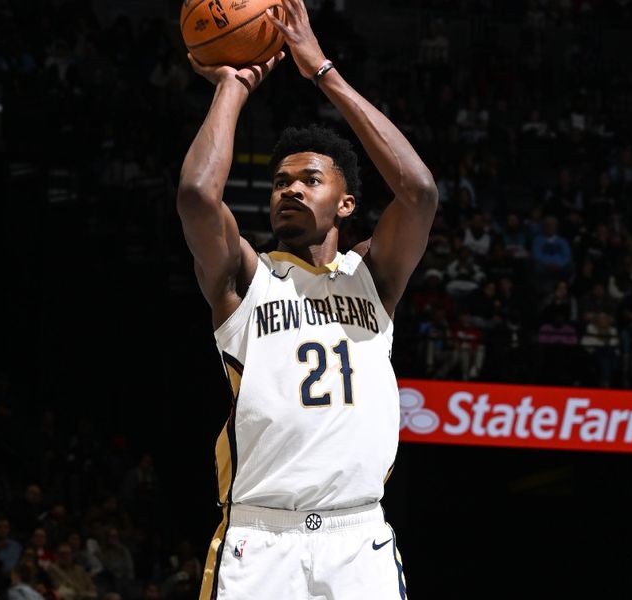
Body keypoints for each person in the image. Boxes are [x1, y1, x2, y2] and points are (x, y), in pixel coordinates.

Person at [175, 1, 438, 598]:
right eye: (279, 182)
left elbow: (418, 192)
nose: (290, 188)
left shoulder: (374, 276)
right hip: (259, 539)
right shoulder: (245, 279)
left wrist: (323, 71)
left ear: (345, 205)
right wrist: (234, 86)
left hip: (358, 538)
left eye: (310, 180)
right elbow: (195, 195)